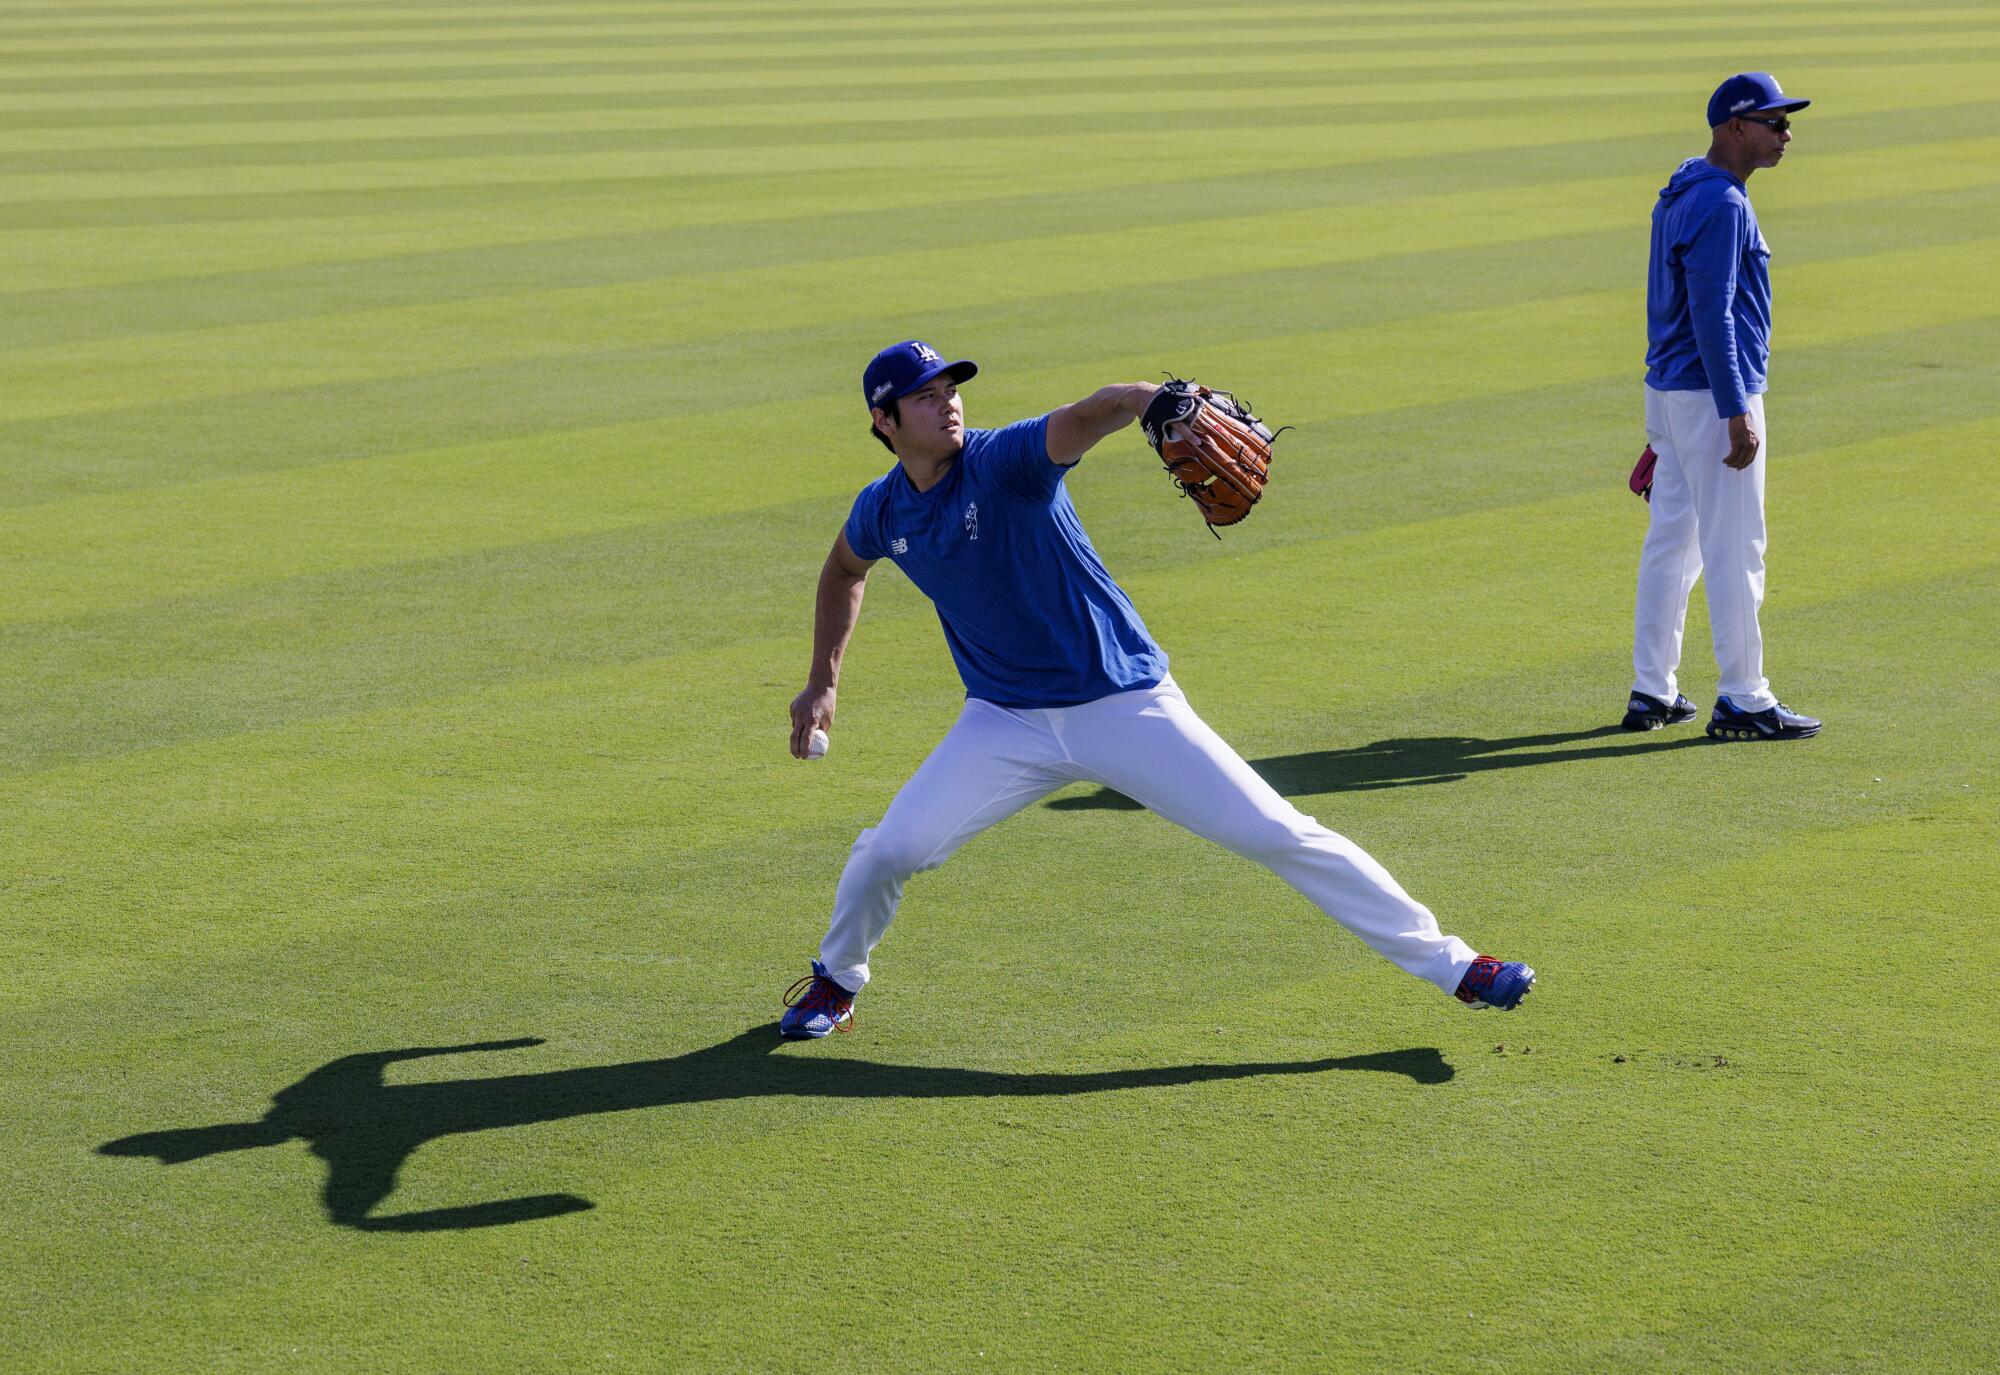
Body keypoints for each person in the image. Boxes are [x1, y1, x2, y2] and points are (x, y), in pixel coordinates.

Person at [776, 339, 1533, 1038]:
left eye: (950, 388)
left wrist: (1145, 399)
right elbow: (844, 568)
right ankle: (835, 983)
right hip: (1003, 720)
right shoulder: (883, 507)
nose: (947, 402)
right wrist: (822, 682)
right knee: (888, 852)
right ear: (884, 419)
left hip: (1123, 703)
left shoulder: (1004, 460)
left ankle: (1457, 966)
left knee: (1275, 831)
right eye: (923, 395)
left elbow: (1086, 415)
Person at [1625, 72, 1822, 741]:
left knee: (1673, 542)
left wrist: (1668, 420)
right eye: (1775, 122)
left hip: (1672, 391)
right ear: (1736, 127)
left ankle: (1652, 689)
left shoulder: (1683, 185)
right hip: (1713, 392)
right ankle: (1743, 696)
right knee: (1736, 546)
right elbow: (1713, 312)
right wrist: (1736, 408)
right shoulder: (1724, 204)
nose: (1787, 134)